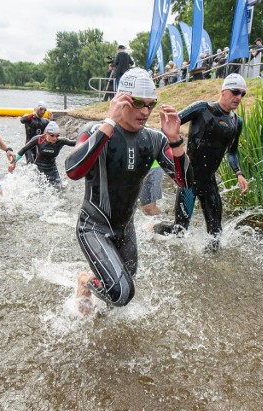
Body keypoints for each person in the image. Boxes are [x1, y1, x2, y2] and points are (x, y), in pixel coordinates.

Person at [64, 68, 193, 313]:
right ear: (121, 100)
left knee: (120, 294)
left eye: (150, 105)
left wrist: (175, 140)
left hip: (125, 228)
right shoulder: (94, 131)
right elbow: (73, 171)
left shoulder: (155, 139)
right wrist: (108, 123)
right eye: (137, 103)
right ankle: (84, 280)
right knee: (122, 293)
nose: (145, 112)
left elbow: (185, 182)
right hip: (93, 227)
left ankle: (97, 324)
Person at [153, 73, 250, 251]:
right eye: (235, 92)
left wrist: (239, 173)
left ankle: (211, 273)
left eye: (242, 94)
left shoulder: (237, 122)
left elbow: (232, 152)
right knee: (178, 231)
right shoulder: (202, 108)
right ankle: (153, 228)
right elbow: (174, 123)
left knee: (216, 235)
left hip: (209, 182)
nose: (239, 97)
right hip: (188, 180)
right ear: (223, 91)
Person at [8, 121, 76, 188]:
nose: (55, 138)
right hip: (38, 168)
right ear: (46, 133)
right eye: (52, 135)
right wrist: (13, 162)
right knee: (39, 190)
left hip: (52, 169)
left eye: (57, 136)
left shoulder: (61, 141)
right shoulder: (39, 139)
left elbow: (76, 143)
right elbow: (24, 149)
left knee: (58, 190)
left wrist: (86, 138)